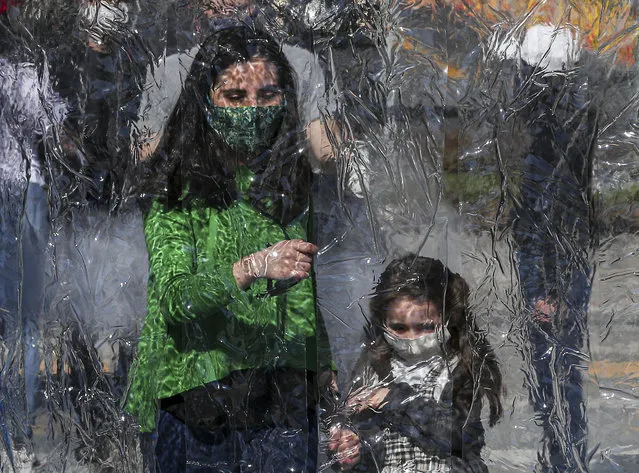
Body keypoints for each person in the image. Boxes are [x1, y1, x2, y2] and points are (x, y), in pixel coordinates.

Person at [126, 26, 333, 473]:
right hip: (198, 396)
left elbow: (302, 288)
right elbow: (177, 301)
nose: (253, 111)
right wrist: (252, 267)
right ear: (206, 100)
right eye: (235, 97)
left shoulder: (288, 180)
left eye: (268, 96)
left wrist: (321, 365)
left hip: (280, 391)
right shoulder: (176, 187)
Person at [329, 255, 503, 473]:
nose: (412, 339)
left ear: (447, 317)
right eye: (399, 328)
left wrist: (396, 397)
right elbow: (369, 445)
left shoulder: (460, 367)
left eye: (426, 327)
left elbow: (459, 437)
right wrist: (349, 449)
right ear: (383, 323)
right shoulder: (373, 370)